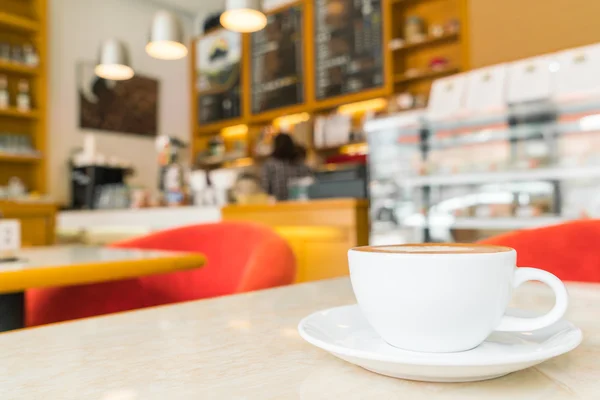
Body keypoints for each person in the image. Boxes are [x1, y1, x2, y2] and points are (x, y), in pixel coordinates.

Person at [261, 133, 312, 201]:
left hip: (278, 204)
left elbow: (265, 188)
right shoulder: (299, 163)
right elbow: (309, 183)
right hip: (298, 203)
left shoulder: (270, 164)